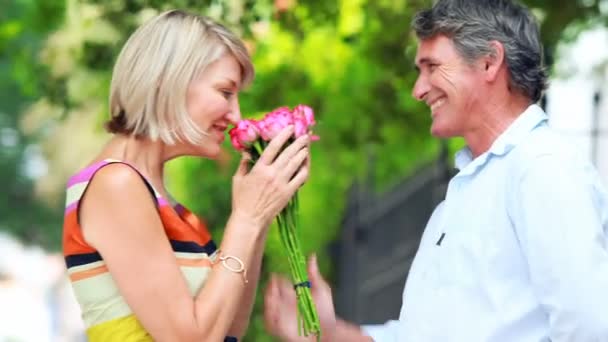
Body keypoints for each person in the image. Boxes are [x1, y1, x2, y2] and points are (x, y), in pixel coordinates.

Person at [263, 0, 608, 341]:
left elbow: (590, 327)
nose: (418, 90)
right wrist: (331, 334)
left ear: (489, 62)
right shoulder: (470, 189)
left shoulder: (542, 168)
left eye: (432, 66)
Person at [62, 9, 310, 341]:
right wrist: (247, 219)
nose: (236, 116)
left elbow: (227, 329)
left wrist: (261, 215)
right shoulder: (116, 184)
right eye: (225, 92)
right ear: (169, 81)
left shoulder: (155, 196)